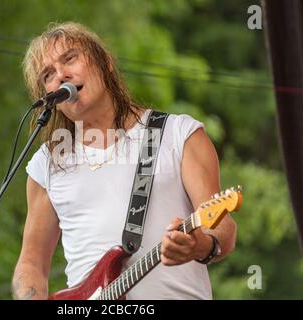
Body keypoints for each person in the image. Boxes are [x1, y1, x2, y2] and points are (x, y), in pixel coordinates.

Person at [12, 22, 237, 300]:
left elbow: (223, 228)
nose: (60, 75)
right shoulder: (47, 163)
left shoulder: (177, 134)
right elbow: (31, 264)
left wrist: (199, 245)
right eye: (48, 74)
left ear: (104, 61)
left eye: (69, 58)